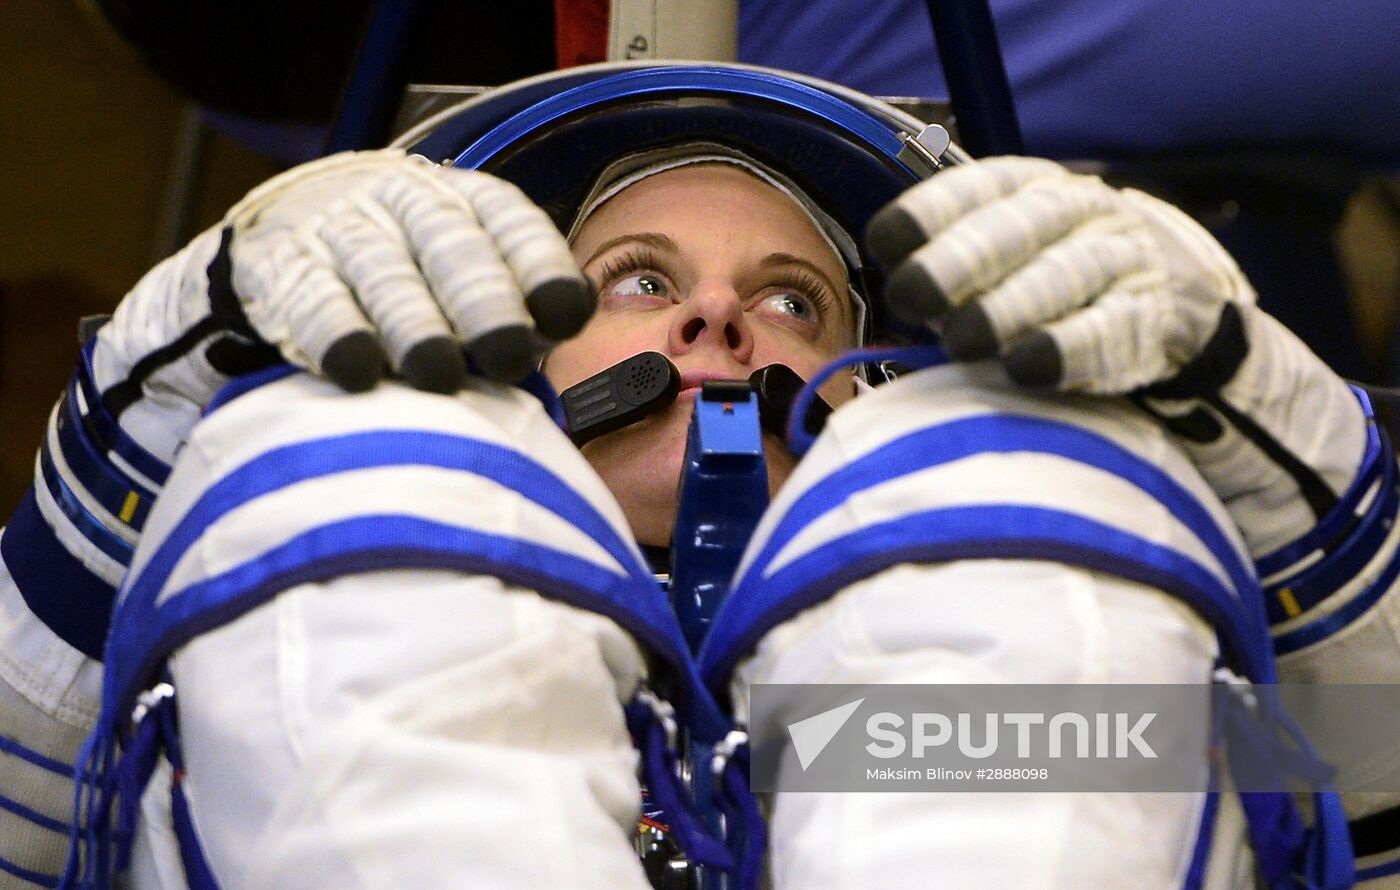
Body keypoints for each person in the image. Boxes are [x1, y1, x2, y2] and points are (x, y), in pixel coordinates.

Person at [0, 61, 1396, 889]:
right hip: (378, 634)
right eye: (637, 280)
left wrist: (1290, 462)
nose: (714, 324)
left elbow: (1354, 794)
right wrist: (155, 399)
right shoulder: (335, 593)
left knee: (1032, 504)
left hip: (881, 729)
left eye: (793, 304)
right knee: (331, 470)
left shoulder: (971, 608)